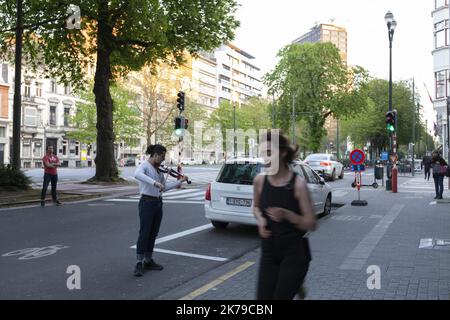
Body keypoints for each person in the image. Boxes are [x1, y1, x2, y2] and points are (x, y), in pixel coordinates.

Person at [253, 131, 317, 300]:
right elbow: (256, 207)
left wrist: (288, 215)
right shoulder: (259, 181)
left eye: (269, 153)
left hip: (294, 253)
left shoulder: (298, 184)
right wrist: (260, 221)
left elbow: (312, 223)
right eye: (262, 154)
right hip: (269, 251)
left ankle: (294, 282)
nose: (265, 159)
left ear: (282, 152)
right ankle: (295, 285)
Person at [133, 144, 189, 277]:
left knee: (153, 233)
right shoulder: (145, 166)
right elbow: (137, 174)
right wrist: (154, 183)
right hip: (147, 202)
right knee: (144, 232)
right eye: (162, 157)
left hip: (158, 203)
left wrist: (179, 181)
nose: (163, 160)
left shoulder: (158, 171)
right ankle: (139, 262)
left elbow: (164, 188)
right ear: (155, 155)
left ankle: (148, 259)